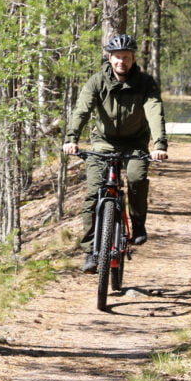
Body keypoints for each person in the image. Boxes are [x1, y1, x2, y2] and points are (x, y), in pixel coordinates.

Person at [62, 34, 169, 273]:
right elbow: (82, 110)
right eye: (118, 57)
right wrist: (71, 139)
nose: (122, 61)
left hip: (135, 143)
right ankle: (90, 251)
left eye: (127, 57)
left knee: (136, 178)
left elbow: (154, 111)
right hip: (104, 142)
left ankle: (138, 226)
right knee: (93, 191)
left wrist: (159, 145)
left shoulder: (145, 83)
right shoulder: (97, 82)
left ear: (132, 59)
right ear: (110, 58)